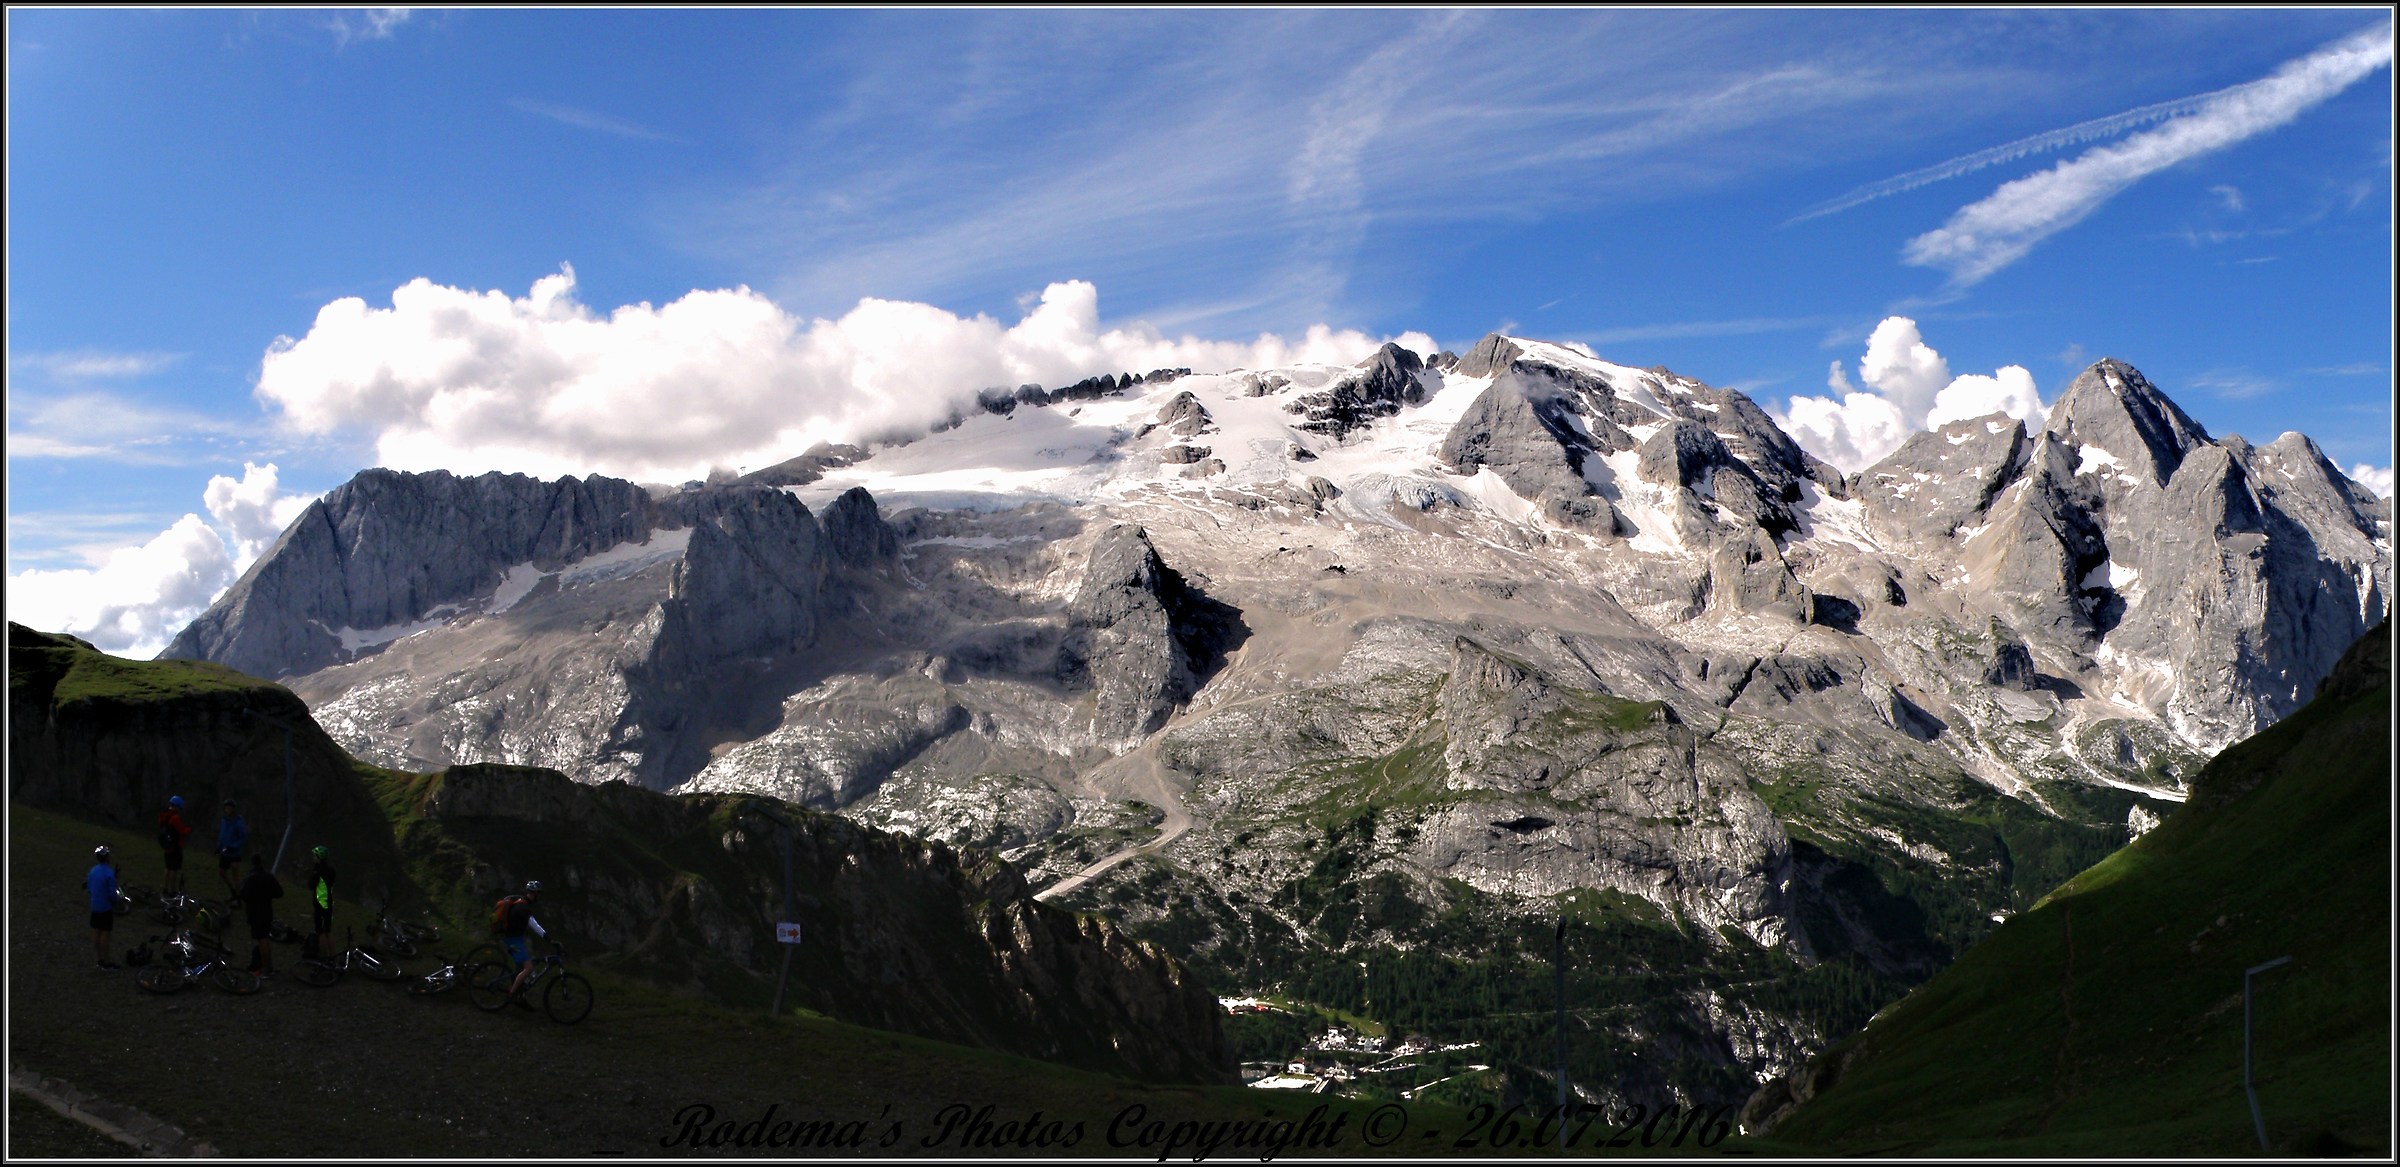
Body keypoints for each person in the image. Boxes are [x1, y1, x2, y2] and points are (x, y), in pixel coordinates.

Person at [502, 880, 548, 1004]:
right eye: (538, 893)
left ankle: (520, 996)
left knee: (520, 967)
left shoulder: (520, 902)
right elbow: (535, 926)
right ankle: (511, 995)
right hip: (513, 940)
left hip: (515, 939)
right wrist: (549, 939)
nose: (538, 896)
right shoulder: (523, 907)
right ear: (534, 894)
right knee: (529, 968)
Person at [239, 854, 284, 976]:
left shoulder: (250, 878)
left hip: (255, 913)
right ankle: (268, 966)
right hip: (267, 912)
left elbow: (243, 894)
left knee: (262, 939)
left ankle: (265, 969)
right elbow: (279, 893)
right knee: (265, 939)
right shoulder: (269, 877)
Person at [86, 846, 120, 970]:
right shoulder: (109, 873)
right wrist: (115, 902)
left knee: (96, 931)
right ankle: (106, 959)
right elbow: (112, 893)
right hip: (105, 907)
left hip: (94, 906)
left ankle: (98, 958)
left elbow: (89, 889)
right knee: (105, 933)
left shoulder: (93, 871)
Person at [157, 796, 193, 897]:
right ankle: (171, 891)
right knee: (174, 869)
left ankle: (164, 887)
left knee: (167, 868)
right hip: (175, 846)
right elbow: (182, 831)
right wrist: (189, 829)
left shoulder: (165, 815)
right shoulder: (175, 817)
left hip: (167, 846)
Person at [307, 845, 336, 959]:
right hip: (329, 901)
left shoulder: (318, 871)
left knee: (320, 932)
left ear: (319, 857)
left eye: (315, 856)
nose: (313, 858)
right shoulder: (332, 870)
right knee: (328, 931)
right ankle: (332, 956)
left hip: (320, 903)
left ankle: (323, 957)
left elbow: (311, 885)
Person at [215, 799, 248, 897]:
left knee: (235, 874)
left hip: (234, 852)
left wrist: (233, 846)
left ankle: (238, 896)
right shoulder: (224, 820)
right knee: (222, 872)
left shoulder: (238, 821)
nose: (227, 810)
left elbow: (242, 837)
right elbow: (222, 835)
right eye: (226, 808)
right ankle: (233, 890)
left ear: (233, 809)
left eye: (229, 808)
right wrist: (219, 847)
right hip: (225, 851)